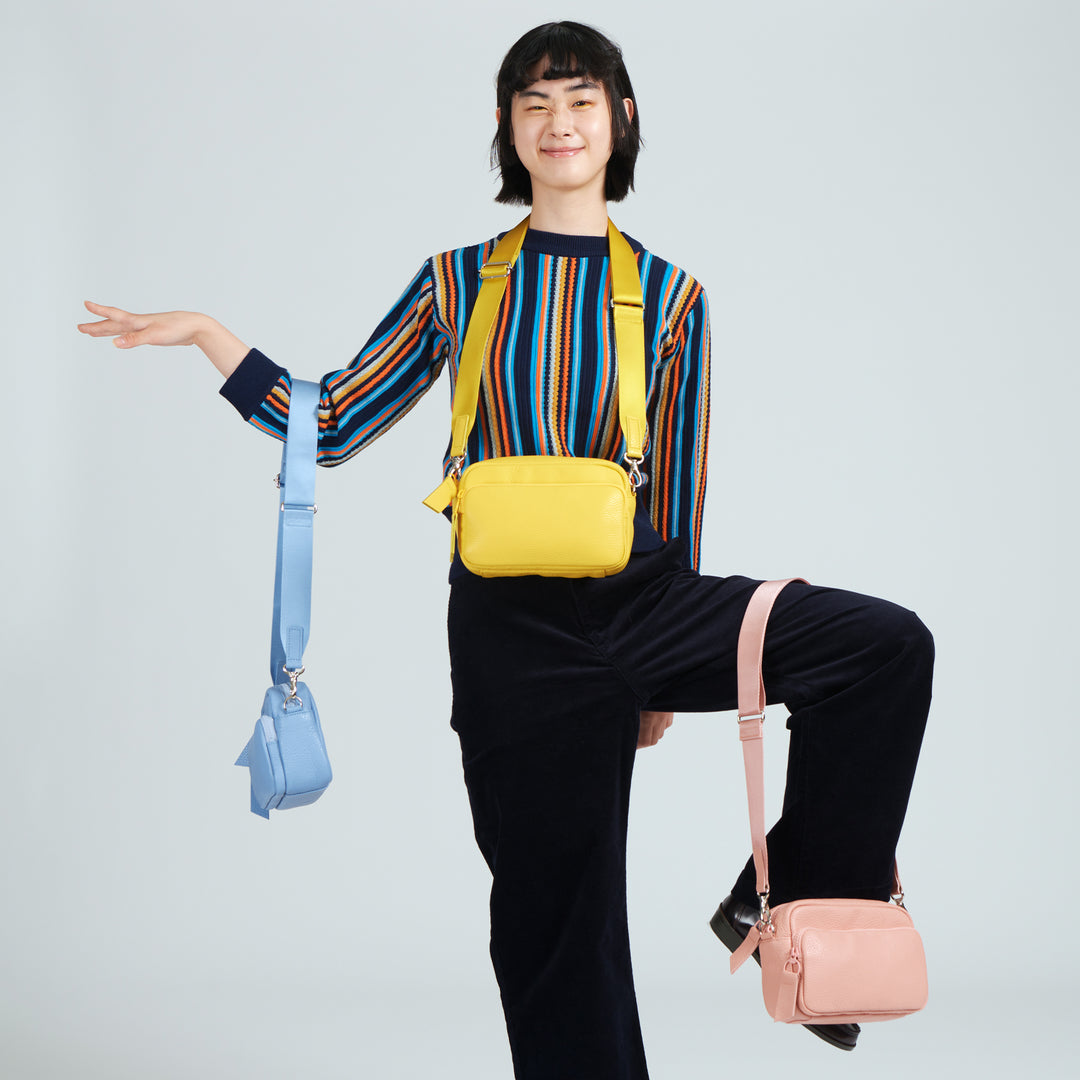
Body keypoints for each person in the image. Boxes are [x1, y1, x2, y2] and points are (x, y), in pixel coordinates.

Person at [77, 20, 934, 1079]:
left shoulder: (672, 296)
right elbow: (332, 424)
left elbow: (676, 489)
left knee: (884, 649)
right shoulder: (456, 281)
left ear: (621, 119)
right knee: (556, 922)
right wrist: (214, 339)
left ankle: (787, 891)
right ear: (507, 127)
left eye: (580, 101)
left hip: (646, 605)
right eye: (535, 104)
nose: (558, 123)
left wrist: (660, 675)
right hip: (511, 637)